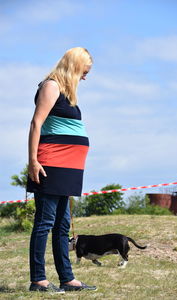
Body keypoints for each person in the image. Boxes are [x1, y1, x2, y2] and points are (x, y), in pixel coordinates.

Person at [27, 47, 96, 293]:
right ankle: (38, 280)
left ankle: (67, 278)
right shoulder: (51, 86)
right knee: (45, 222)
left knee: (62, 225)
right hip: (51, 163)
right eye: (84, 71)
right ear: (73, 66)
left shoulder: (67, 92)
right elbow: (36, 122)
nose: (85, 77)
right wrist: (33, 161)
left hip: (67, 167)